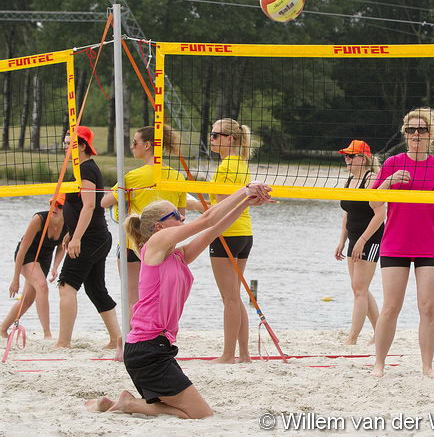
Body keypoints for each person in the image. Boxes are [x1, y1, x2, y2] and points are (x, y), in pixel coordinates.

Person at [84, 182, 273, 419]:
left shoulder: (177, 256)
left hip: (156, 349)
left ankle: (122, 403)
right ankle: (129, 404)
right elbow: (206, 219)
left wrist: (245, 204)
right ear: (159, 226)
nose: (182, 217)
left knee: (193, 412)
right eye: (175, 215)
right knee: (201, 414)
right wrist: (245, 190)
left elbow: (214, 228)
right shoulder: (154, 244)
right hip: (147, 350)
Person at [370, 107, 434, 378]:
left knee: (428, 307)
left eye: (422, 129)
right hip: (395, 244)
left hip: (429, 246)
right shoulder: (392, 163)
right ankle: (379, 364)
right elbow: (374, 203)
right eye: (411, 130)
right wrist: (388, 182)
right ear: (405, 133)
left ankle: (427, 367)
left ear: (431, 134)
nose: (416, 134)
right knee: (390, 307)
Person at [101, 125, 187, 322]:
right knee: (159, 299)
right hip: (165, 245)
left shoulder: (132, 177)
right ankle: (156, 334)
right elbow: (181, 216)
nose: (132, 147)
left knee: (133, 299)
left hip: (134, 244)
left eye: (135, 142)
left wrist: (121, 199)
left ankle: (133, 337)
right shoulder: (178, 177)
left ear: (147, 145)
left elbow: (104, 202)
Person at [189, 118, 254, 363]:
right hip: (244, 233)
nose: (211, 139)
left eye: (216, 135)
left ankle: (228, 355)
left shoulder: (227, 166)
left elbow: (222, 207)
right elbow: (228, 202)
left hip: (227, 232)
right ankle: (244, 354)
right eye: (211, 134)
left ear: (230, 139)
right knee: (235, 296)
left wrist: (200, 209)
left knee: (230, 298)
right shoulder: (241, 164)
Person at [54, 126, 121, 349]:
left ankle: (63, 342)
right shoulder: (79, 169)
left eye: (70, 143)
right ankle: (116, 339)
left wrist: (77, 239)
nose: (65, 147)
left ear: (82, 146)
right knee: (95, 289)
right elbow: (76, 207)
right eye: (65, 143)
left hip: (91, 239)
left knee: (66, 285)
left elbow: (89, 205)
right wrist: (70, 233)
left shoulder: (87, 169)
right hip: (93, 237)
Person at [335, 140, 385, 345]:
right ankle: (380, 331)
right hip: (354, 238)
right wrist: (342, 240)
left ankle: (352, 338)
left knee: (360, 289)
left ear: (363, 159)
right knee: (359, 288)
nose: (347, 159)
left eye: (351, 156)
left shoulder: (371, 178)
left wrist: (363, 240)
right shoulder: (350, 180)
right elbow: (347, 213)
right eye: (345, 156)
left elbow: (381, 214)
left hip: (370, 239)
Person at [1, 195, 68, 339]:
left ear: (67, 208)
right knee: (42, 286)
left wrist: (55, 267)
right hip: (27, 255)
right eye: (52, 204)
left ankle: (2, 328)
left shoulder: (68, 223)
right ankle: (47, 334)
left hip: (44, 258)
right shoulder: (39, 219)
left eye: (59, 206)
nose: (54, 208)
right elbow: (22, 249)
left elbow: (62, 247)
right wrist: (15, 279)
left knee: (27, 299)